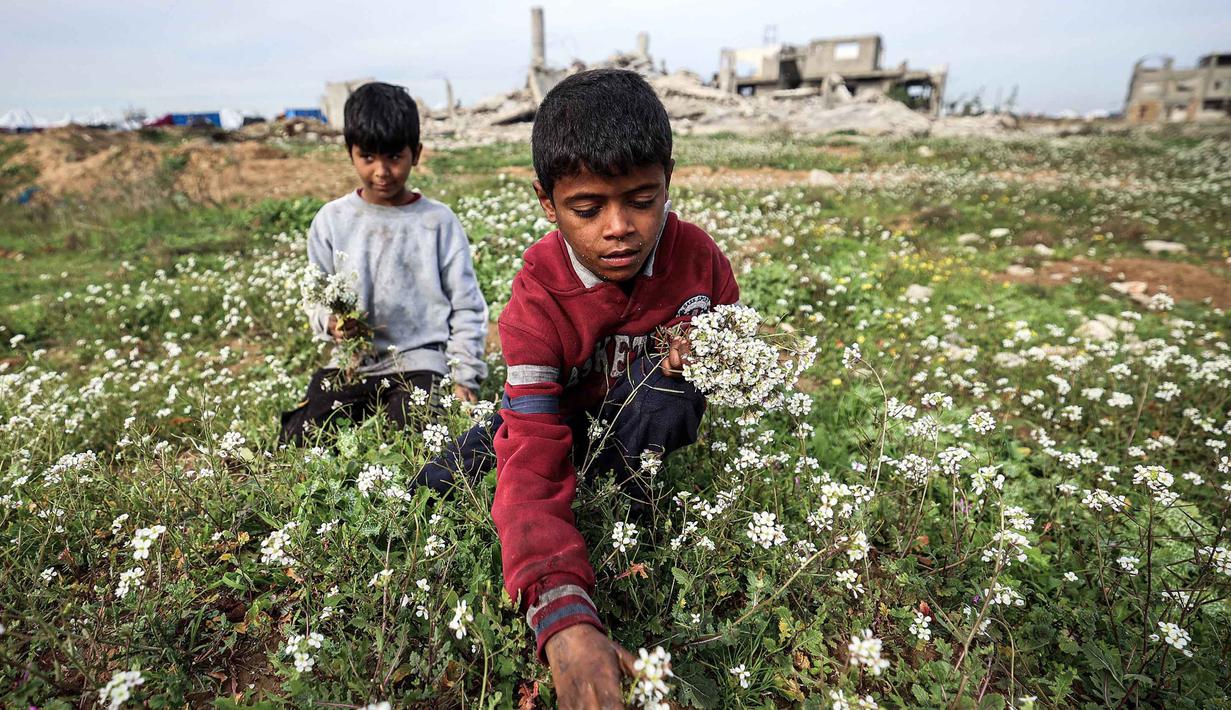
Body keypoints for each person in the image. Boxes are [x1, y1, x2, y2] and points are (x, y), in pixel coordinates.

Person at [417, 69, 739, 707]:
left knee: (664, 400)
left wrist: (705, 360)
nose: (618, 227)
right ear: (547, 201)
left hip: (631, 424)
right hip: (557, 417)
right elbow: (535, 446)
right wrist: (562, 614)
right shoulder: (537, 300)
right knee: (458, 474)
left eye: (642, 200)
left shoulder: (698, 261)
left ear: (668, 178)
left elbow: (731, 346)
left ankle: (631, 505)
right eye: (587, 209)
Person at [279, 82, 488, 445]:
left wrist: (465, 376)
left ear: (416, 153)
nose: (381, 171)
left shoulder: (437, 221)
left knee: (416, 436)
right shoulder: (332, 220)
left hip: (417, 361)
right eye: (368, 157)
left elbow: (467, 304)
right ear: (350, 153)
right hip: (353, 362)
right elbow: (315, 295)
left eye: (394, 157)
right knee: (301, 434)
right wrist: (330, 323)